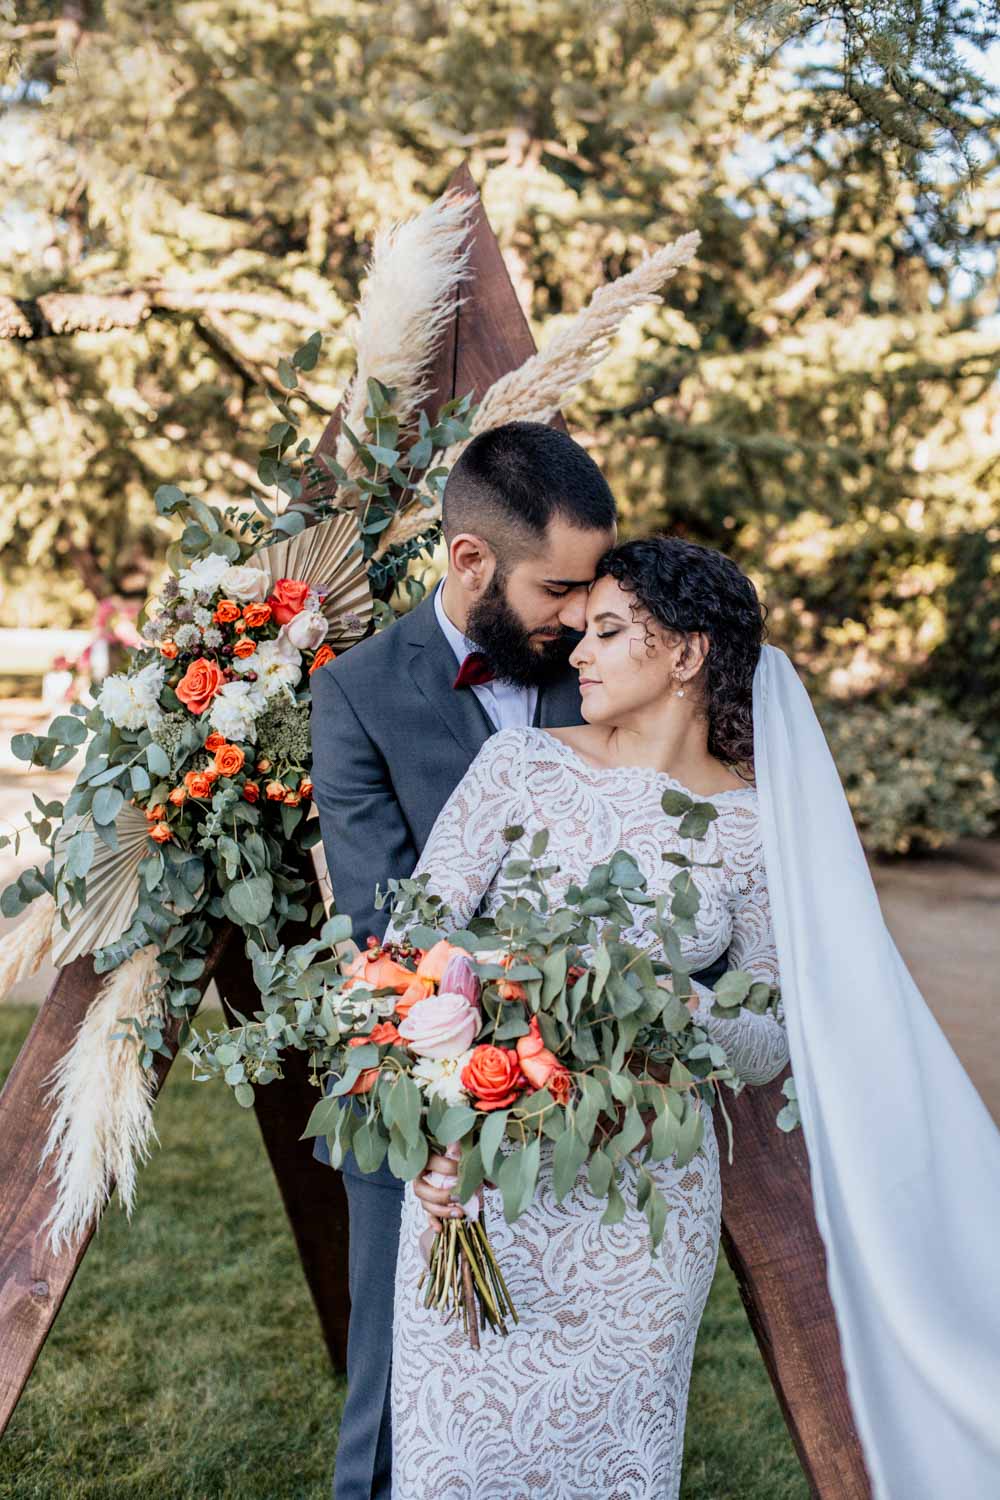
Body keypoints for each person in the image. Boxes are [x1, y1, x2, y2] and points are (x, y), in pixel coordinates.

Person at [388, 535, 1000, 1500]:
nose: (577, 652)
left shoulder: (756, 824)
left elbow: (768, 1033)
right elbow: (413, 950)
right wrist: (430, 1131)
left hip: (643, 1202)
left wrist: (687, 1006)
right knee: (458, 1466)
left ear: (686, 652)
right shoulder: (517, 767)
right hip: (490, 1182)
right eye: (581, 631)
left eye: (608, 632)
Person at [309, 420, 625, 1500]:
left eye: (591, 592)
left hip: (581, 1079)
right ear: (470, 561)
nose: (579, 618)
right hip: (421, 1066)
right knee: (393, 1375)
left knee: (548, 1372)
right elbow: (383, 918)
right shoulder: (355, 694)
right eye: (559, 589)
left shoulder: (598, 675)